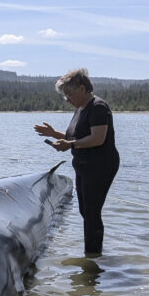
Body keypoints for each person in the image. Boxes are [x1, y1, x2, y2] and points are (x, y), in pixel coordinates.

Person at [34, 67, 120, 256]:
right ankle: (92, 255)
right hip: (84, 166)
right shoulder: (80, 109)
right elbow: (74, 136)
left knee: (91, 212)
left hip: (100, 165)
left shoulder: (98, 107)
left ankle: (93, 255)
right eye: (65, 95)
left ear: (82, 88)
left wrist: (70, 144)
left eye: (69, 94)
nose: (67, 99)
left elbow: (97, 138)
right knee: (85, 211)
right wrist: (53, 133)